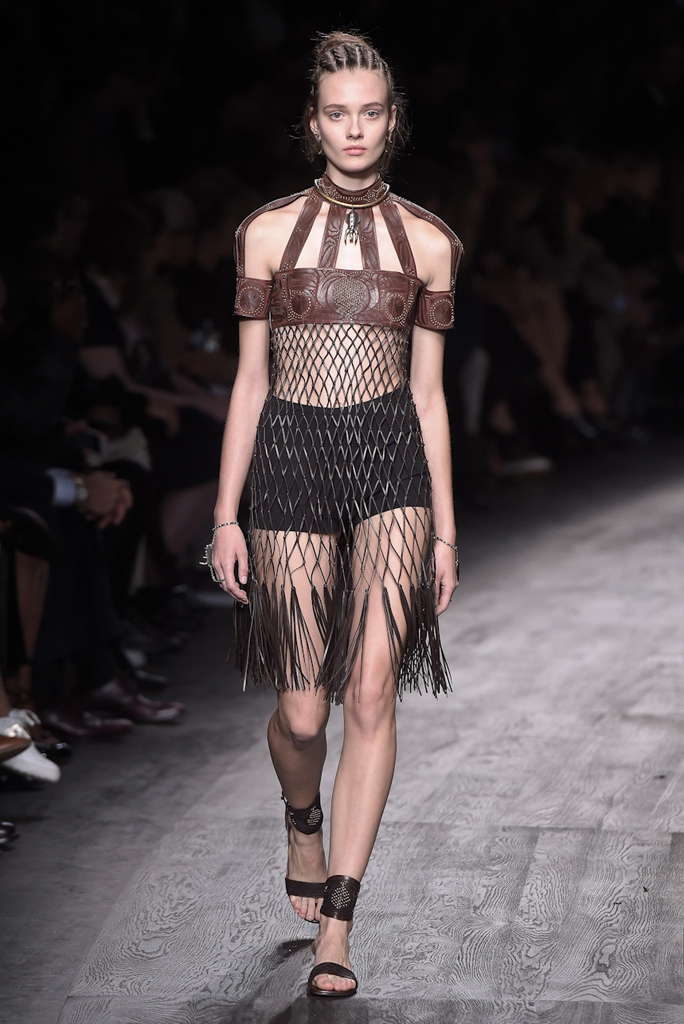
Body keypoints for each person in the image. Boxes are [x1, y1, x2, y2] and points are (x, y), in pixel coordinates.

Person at [210, 31, 461, 998]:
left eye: (371, 112)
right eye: (336, 113)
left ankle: (339, 928)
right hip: (293, 456)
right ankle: (302, 816)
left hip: (391, 460)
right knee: (302, 709)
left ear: (393, 122)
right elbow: (248, 383)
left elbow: (430, 396)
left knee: (369, 696)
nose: (354, 129)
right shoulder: (266, 234)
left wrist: (445, 530)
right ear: (312, 124)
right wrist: (225, 516)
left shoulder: (431, 243)